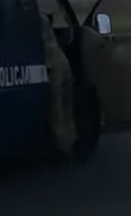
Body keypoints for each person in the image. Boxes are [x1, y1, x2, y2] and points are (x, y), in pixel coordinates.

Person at [40, 14, 78, 156]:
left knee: (57, 108)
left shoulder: (31, 18)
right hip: (63, 62)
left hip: (52, 66)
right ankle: (71, 141)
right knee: (67, 105)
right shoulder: (42, 18)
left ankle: (62, 148)